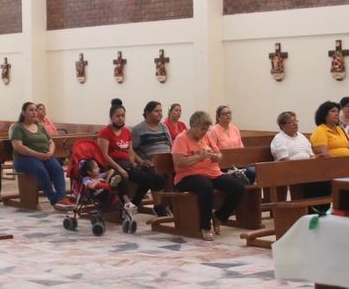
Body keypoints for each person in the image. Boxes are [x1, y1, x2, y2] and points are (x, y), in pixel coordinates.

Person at [171, 110, 247, 241]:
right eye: (202, 129)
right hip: (188, 176)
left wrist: (216, 157)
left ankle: (219, 217)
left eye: (206, 129)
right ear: (193, 126)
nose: (204, 132)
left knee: (238, 187)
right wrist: (199, 157)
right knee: (205, 186)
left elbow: (219, 154)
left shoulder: (207, 136)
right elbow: (179, 162)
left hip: (213, 173)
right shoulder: (181, 139)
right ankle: (205, 226)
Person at [97, 101, 165, 213]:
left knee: (148, 178)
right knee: (122, 176)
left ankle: (134, 204)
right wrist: (119, 169)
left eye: (122, 116)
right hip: (113, 166)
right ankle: (122, 204)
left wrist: (138, 163)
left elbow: (130, 150)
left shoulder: (126, 132)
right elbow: (104, 156)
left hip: (128, 165)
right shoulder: (105, 133)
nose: (120, 118)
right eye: (117, 116)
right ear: (111, 117)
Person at [10, 102, 68, 206]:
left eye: (35, 110)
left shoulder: (40, 126)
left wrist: (50, 152)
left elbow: (51, 141)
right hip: (24, 159)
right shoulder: (18, 127)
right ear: (23, 113)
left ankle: (62, 197)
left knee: (57, 168)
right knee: (40, 169)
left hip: (44, 156)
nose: (34, 112)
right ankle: (53, 198)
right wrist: (37, 154)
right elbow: (19, 147)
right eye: (31, 110)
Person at [130, 101, 175, 216]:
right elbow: (131, 149)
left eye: (161, 111)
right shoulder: (138, 129)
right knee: (158, 176)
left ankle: (174, 204)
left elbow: (170, 144)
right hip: (149, 163)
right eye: (156, 111)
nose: (160, 114)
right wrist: (141, 161)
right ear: (147, 113)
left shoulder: (163, 126)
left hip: (167, 161)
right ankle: (158, 206)